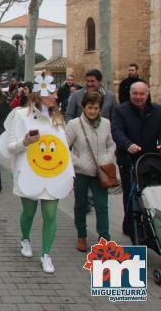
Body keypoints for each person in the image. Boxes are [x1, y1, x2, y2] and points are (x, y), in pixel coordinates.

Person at [0, 75, 73, 273]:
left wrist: (69, 173)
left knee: (50, 214)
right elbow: (11, 147)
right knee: (30, 212)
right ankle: (25, 239)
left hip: (53, 173)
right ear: (39, 96)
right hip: (30, 172)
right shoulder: (20, 115)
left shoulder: (58, 118)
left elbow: (64, 149)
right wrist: (25, 142)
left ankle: (46, 255)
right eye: (52, 93)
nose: (56, 97)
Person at [66, 92, 115, 251]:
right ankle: (81, 235)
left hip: (101, 171)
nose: (93, 111)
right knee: (80, 205)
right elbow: (65, 148)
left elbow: (111, 145)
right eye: (90, 107)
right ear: (84, 107)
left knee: (102, 206)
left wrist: (106, 159)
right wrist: (77, 162)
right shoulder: (74, 124)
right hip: (81, 172)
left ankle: (104, 239)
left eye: (96, 108)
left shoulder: (106, 123)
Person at [111, 81, 161, 239]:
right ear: (130, 94)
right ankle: (131, 226)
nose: (138, 97)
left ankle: (149, 226)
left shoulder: (158, 110)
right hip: (128, 159)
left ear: (147, 94)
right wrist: (128, 145)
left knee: (150, 194)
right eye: (135, 93)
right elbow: (117, 131)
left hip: (151, 160)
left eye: (142, 94)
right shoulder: (121, 110)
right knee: (130, 194)